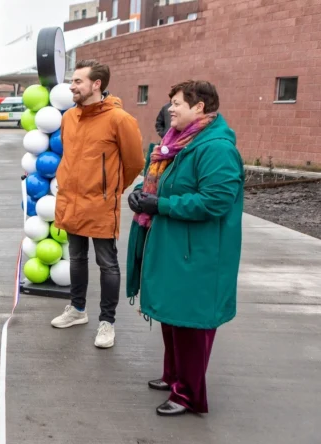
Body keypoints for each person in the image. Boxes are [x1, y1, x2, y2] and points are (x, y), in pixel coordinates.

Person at [127, 80, 243, 416]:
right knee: (173, 317)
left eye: (177, 103)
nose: (171, 109)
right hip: (177, 249)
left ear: (200, 107)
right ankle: (173, 375)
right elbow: (163, 180)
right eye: (171, 102)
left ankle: (188, 395)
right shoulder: (177, 143)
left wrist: (159, 204)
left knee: (191, 324)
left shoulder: (216, 148)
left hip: (200, 255)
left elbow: (215, 201)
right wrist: (142, 193)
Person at [51, 60, 145, 349]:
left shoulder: (120, 119)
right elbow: (69, 156)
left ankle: (108, 322)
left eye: (78, 81)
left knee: (107, 263)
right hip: (72, 201)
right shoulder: (69, 117)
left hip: (101, 204)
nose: (72, 86)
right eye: (72, 81)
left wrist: (111, 190)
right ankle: (77, 310)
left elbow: (134, 163)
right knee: (77, 258)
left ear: (96, 85)